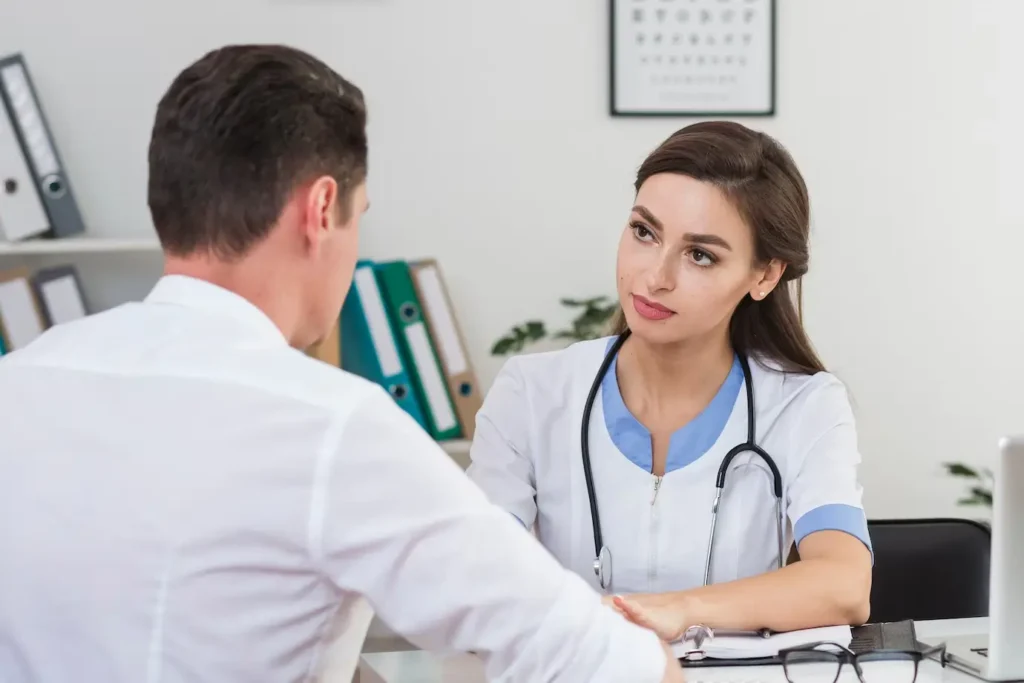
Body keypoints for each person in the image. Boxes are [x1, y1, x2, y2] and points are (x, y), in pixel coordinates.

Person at [0, 44, 685, 683]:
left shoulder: (21, 383)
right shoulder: (329, 425)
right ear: (321, 209)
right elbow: (603, 660)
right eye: (360, 216)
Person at [466, 121, 874, 644]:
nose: (655, 276)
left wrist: (679, 610)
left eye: (700, 254)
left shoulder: (804, 405)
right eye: (644, 232)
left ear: (765, 276)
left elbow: (845, 584)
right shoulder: (533, 394)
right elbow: (475, 577)